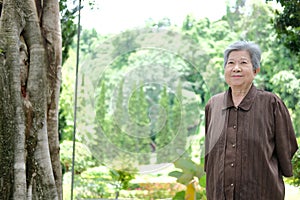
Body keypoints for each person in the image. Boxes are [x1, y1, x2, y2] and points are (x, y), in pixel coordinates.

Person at [204, 41, 298, 200]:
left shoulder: (271, 104)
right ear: (225, 69)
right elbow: (209, 152)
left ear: (255, 70)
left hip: (262, 193)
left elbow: (287, 147)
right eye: (231, 63)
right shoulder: (213, 105)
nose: (236, 68)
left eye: (243, 62)